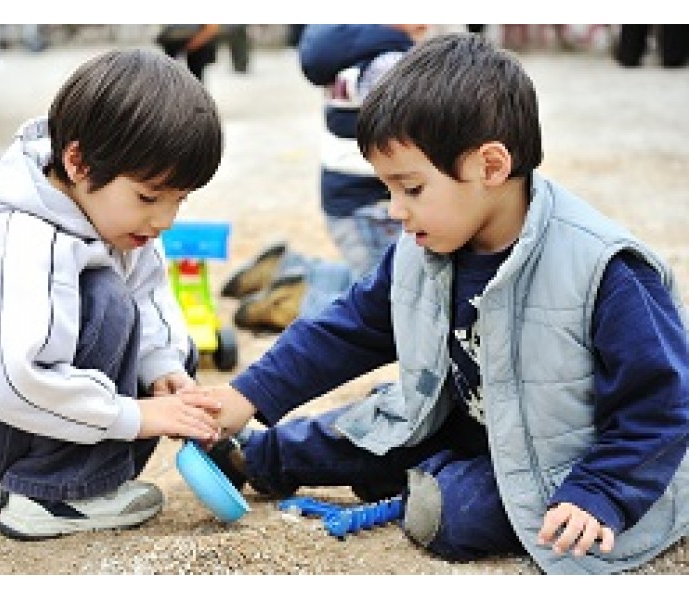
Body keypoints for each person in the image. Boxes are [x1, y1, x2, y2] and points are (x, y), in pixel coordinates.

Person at [196, 33, 689, 574]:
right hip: (463, 419)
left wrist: (600, 493)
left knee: (449, 514)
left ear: (491, 166)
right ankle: (258, 456)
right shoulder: (425, 248)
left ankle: (427, 479)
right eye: (388, 189)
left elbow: (663, 407)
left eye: (411, 188)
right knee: (368, 426)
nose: (396, 211)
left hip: (566, 462)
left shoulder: (604, 269)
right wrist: (249, 394)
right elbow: (349, 328)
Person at [0, 49, 225, 541]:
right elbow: (11, 380)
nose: (164, 221)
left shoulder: (114, 220)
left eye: (180, 200)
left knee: (171, 349)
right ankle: (55, 494)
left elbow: (151, 298)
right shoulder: (20, 236)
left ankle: (29, 479)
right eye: (149, 198)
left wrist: (164, 372)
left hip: (2, 412)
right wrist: (132, 416)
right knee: (107, 300)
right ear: (78, 162)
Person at [223, 24, 427, 332]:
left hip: (347, 197)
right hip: (372, 204)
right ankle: (297, 304)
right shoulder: (390, 62)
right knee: (388, 300)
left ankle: (293, 270)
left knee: (374, 274)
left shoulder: (350, 52)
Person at [155, 25, 221, 82]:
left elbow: (211, 28)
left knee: (196, 77)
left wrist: (191, 45)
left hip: (197, 47)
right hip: (173, 44)